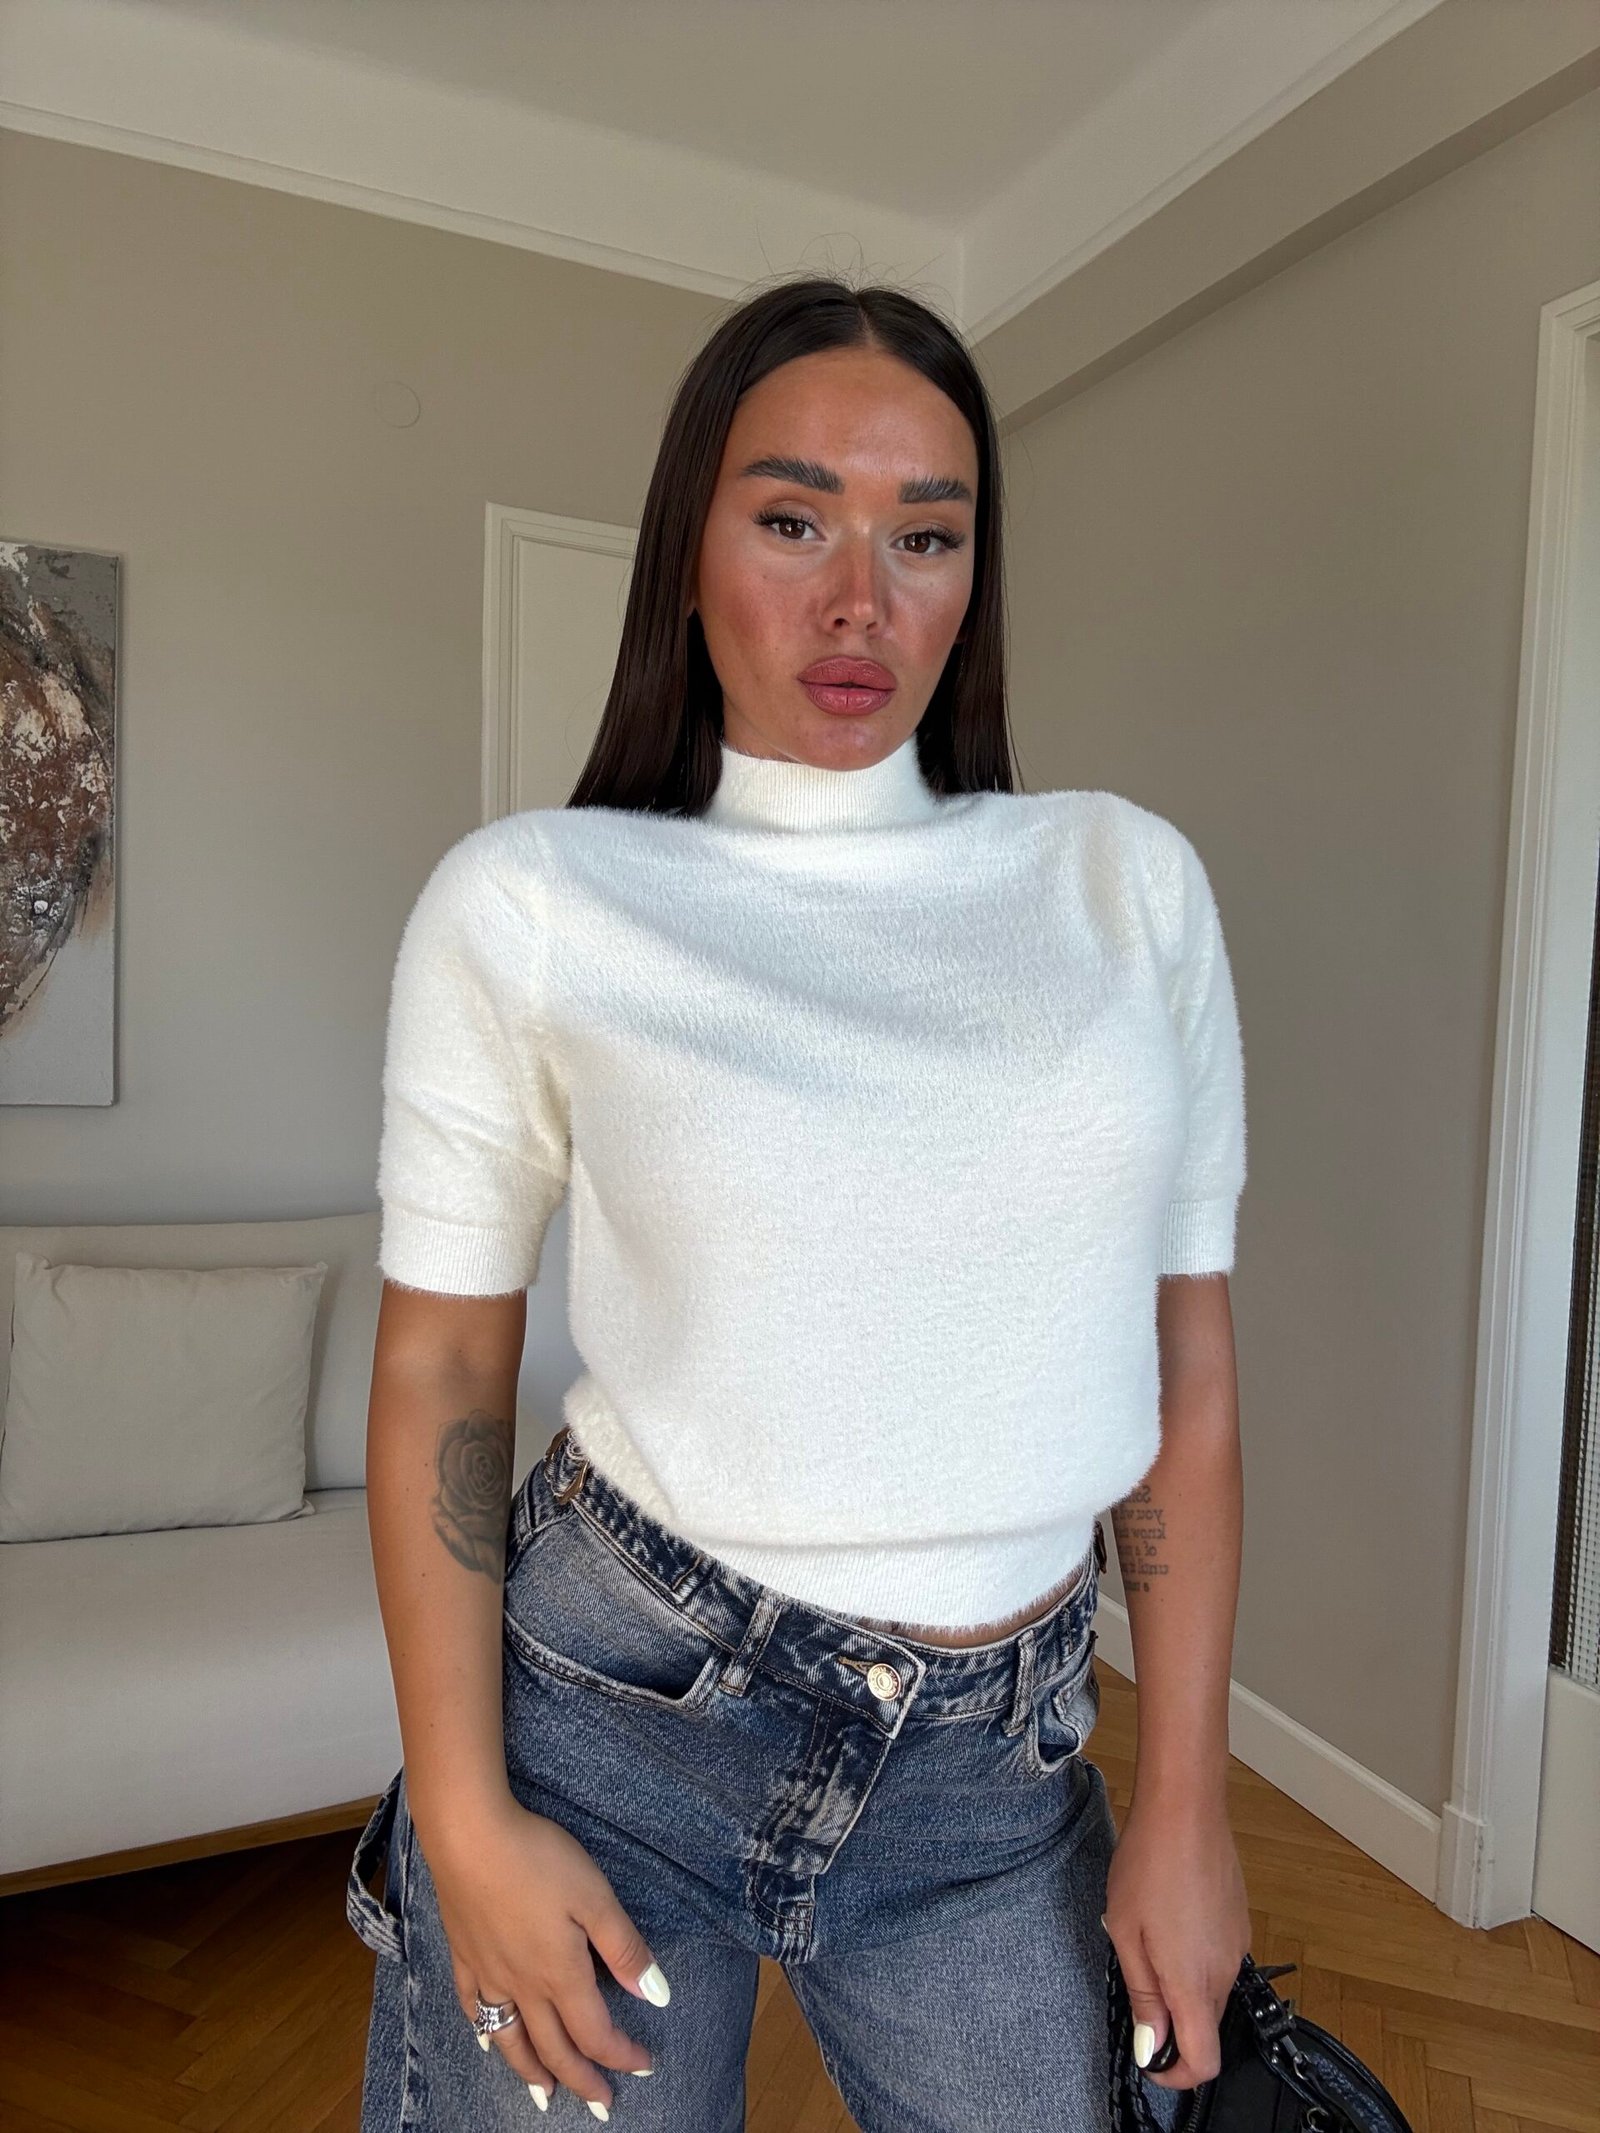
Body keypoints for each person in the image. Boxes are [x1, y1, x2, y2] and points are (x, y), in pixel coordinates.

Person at [345, 273, 1251, 2130]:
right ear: (688, 555)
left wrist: (1187, 1797)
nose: (861, 599)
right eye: (792, 521)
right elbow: (441, 1367)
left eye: (927, 535)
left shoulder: (1125, 886)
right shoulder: (532, 903)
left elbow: (1187, 1365)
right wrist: (461, 1809)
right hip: (619, 1720)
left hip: (995, 1780)